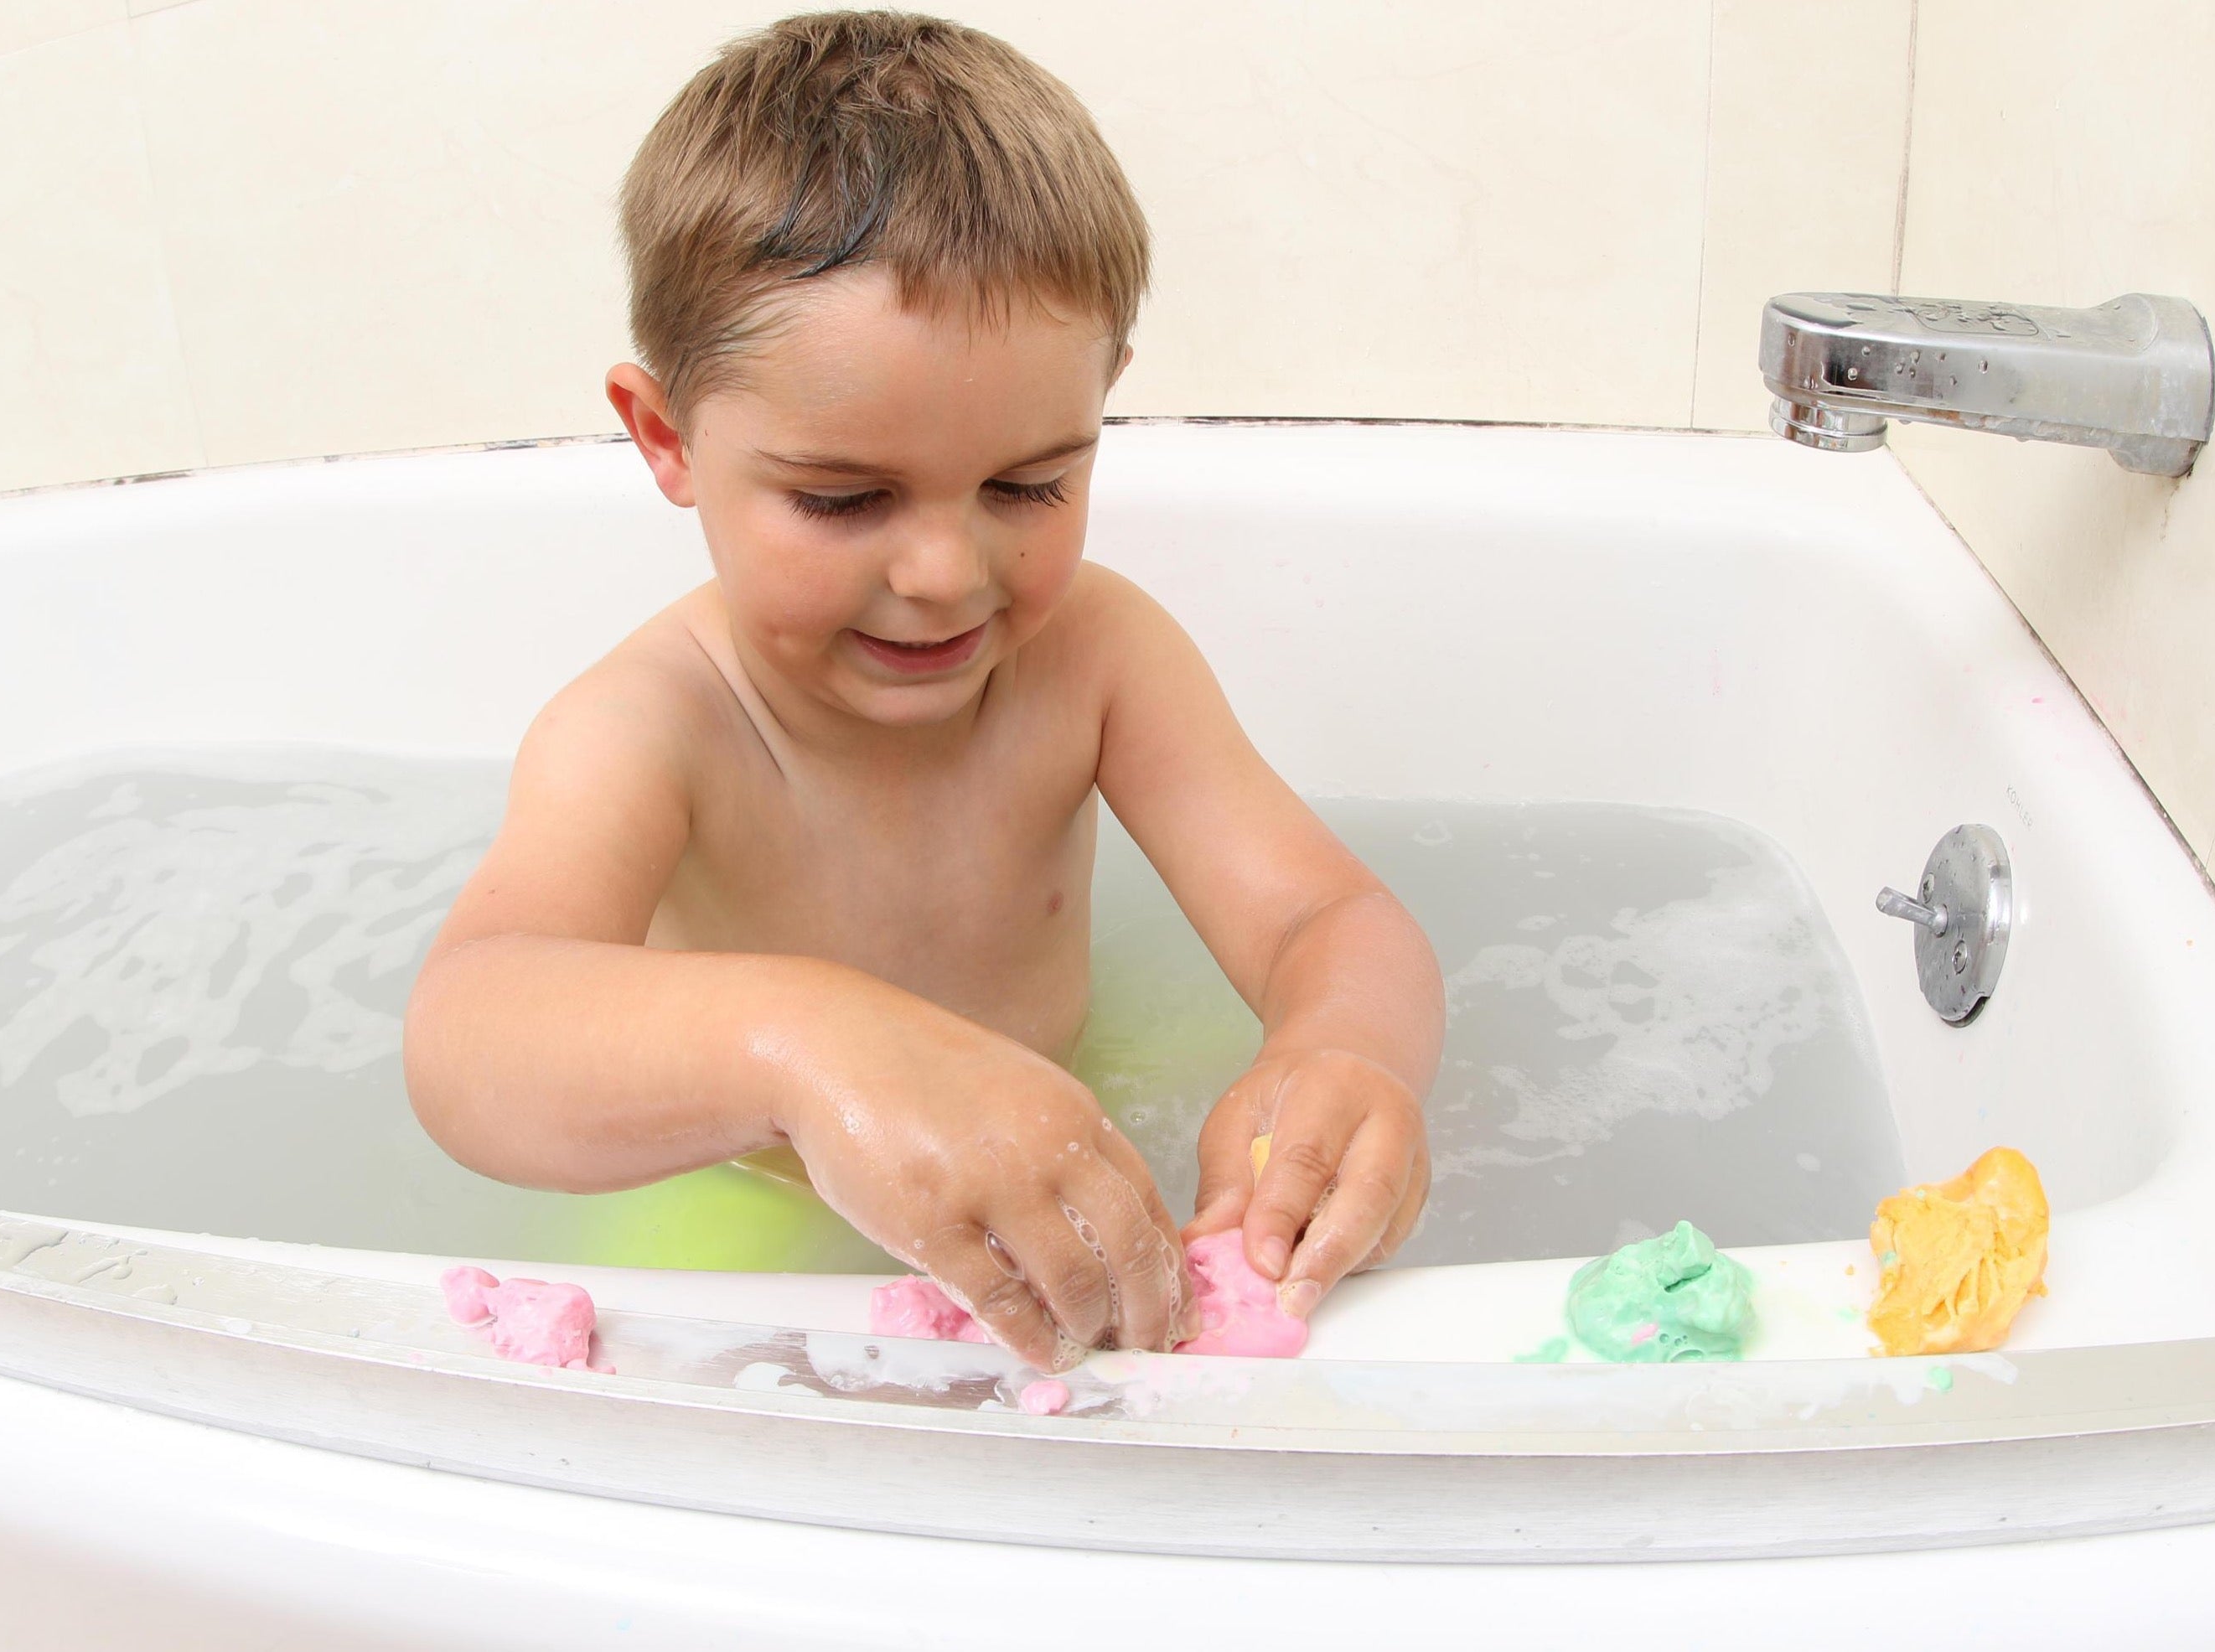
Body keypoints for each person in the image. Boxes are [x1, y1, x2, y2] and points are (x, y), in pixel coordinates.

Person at [404, 10, 1443, 1372]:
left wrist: (1344, 1054)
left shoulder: (1097, 655)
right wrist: (805, 1049)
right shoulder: (651, 726)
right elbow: (471, 1031)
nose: (948, 574)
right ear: (667, 438)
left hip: (1061, 1128)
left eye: (1030, 485)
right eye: (843, 498)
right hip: (739, 1191)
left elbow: (1327, 913)